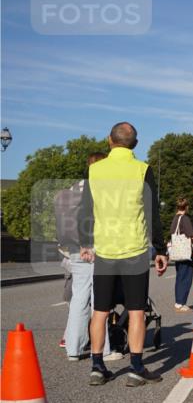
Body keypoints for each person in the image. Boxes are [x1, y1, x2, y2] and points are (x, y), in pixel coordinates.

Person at [79, 122, 167, 387]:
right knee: (137, 310)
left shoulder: (95, 170)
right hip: (135, 249)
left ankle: (97, 366)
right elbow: (152, 213)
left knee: (100, 311)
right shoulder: (142, 170)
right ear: (135, 144)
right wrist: (160, 249)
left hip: (105, 249)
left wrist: (86, 242)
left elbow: (86, 209)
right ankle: (136, 368)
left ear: (109, 140)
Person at [57, 151, 119, 362]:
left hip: (74, 248)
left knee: (79, 298)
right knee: (99, 300)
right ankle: (103, 349)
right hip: (96, 246)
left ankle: (73, 349)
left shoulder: (75, 187)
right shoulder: (101, 186)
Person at [170, 198, 193, 312]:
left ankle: (178, 301)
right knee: (186, 278)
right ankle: (181, 303)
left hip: (178, 251)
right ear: (186, 207)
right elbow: (191, 234)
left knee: (179, 277)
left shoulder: (175, 219)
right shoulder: (185, 218)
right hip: (185, 253)